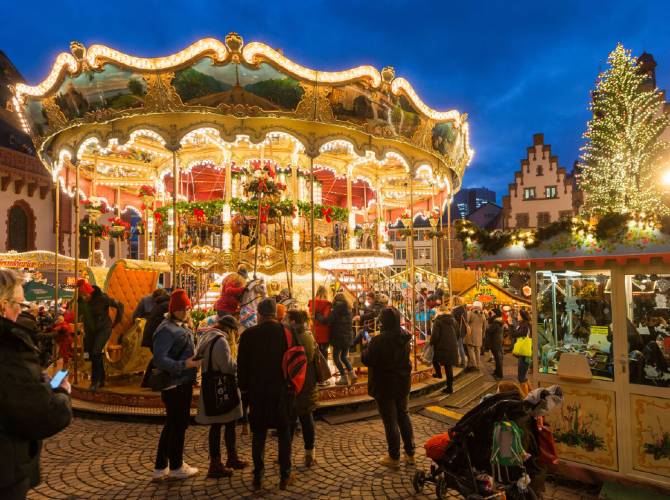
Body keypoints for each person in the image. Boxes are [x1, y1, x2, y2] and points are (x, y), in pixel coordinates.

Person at [0, 269, 72, 499]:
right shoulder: (8, 348)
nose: (21, 311)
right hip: (6, 469)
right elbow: (40, 413)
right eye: (19, 305)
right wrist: (61, 391)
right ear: (3, 306)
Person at [237, 298, 295, 491]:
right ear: (276, 314)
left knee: (259, 434)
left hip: (257, 391)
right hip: (281, 391)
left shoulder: (248, 335)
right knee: (284, 433)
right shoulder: (287, 333)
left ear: (259, 315)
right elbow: (295, 362)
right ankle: (285, 475)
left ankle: (258, 474)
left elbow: (242, 367)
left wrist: (244, 389)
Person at [152, 289, 202, 481]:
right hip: (175, 383)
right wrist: (185, 365)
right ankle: (176, 466)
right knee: (178, 425)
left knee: (171, 424)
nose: (184, 311)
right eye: (180, 308)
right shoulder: (166, 329)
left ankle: (160, 465)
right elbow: (159, 359)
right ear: (172, 309)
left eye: (186, 308)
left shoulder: (180, 325)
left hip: (183, 381)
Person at [361, 307, 415, 469]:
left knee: (390, 420)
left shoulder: (379, 341)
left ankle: (394, 456)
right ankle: (410, 453)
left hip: (385, 385)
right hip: (402, 382)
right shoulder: (404, 337)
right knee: (403, 416)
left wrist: (365, 347)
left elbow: (368, 359)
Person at [195, 315, 248, 479]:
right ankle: (216, 464)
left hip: (211, 387)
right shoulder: (220, 341)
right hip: (221, 388)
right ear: (230, 330)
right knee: (221, 425)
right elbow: (227, 366)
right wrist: (239, 364)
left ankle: (230, 458)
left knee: (223, 424)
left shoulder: (208, 337)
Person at [76, 279, 124, 391]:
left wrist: (116, 322)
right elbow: (79, 313)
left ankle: (95, 381)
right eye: (82, 295)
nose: (84, 297)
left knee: (96, 352)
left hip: (103, 328)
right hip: (90, 330)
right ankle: (101, 378)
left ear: (90, 292)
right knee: (94, 355)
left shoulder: (102, 298)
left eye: (85, 295)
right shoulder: (81, 301)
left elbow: (120, 305)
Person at [286, 309, 318, 467]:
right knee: (306, 419)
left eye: (286, 318)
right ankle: (309, 453)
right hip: (308, 382)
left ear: (292, 321)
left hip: (295, 382)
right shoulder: (309, 335)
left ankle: (286, 454)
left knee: (291, 419)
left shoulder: (293, 337)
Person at [318, 292, 356, 385]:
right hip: (347, 337)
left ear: (335, 300)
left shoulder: (335, 311)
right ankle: (352, 374)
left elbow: (326, 321)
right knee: (343, 356)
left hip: (338, 338)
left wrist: (317, 315)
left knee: (336, 358)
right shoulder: (348, 310)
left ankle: (344, 378)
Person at [430, 305, 459, 394]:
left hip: (442, 346)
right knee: (448, 367)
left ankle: (439, 375)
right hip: (452, 345)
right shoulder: (453, 320)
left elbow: (435, 335)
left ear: (439, 311)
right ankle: (449, 387)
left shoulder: (438, 321)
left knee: (434, 359)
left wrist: (431, 342)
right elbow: (457, 332)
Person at [309, 285, 332, 361]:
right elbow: (325, 319)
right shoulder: (327, 304)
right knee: (324, 353)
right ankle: (324, 371)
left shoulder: (312, 303)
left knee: (316, 354)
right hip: (324, 333)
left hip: (314, 331)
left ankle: (317, 371)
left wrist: (316, 315)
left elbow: (311, 317)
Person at [512, 309, 532, 394]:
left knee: (521, 377)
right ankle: (531, 392)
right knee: (523, 376)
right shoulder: (525, 324)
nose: (517, 316)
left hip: (524, 353)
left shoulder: (525, 325)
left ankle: (526, 396)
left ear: (522, 316)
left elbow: (515, 334)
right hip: (525, 352)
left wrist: (510, 326)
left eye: (519, 315)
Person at [465, 301, 487, 371]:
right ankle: (478, 365)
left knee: (470, 349)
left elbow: (466, 323)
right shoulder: (483, 315)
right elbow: (484, 327)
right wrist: (483, 335)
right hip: (479, 335)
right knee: (477, 350)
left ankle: (474, 364)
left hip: (470, 334)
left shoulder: (470, 313)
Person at [486, 308, 505, 380]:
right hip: (496, 341)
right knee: (497, 358)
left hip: (495, 342)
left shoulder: (496, 322)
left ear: (495, 314)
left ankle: (499, 375)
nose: (491, 314)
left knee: (498, 359)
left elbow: (490, 330)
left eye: (493, 313)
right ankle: (496, 372)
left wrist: (487, 327)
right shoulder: (498, 321)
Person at [450, 296, 468, 367]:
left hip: (457, 331)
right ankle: (462, 362)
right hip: (462, 330)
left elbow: (453, 322)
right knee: (460, 346)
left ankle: (461, 362)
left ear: (453, 302)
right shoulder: (463, 309)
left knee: (458, 347)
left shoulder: (454, 310)